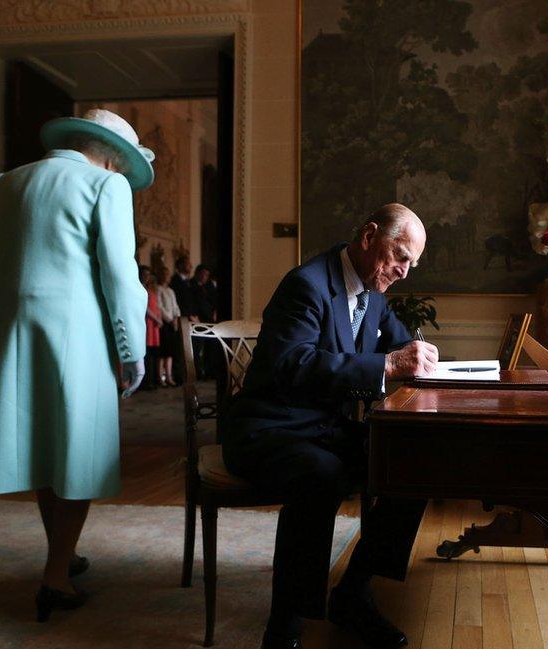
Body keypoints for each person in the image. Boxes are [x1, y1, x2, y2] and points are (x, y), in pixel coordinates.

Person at [0, 108, 154, 622]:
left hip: (14, 336)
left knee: (45, 449)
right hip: (80, 340)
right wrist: (132, 351)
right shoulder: (104, 187)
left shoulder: (8, 182)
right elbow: (120, 276)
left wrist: (18, 301)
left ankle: (62, 557)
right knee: (79, 453)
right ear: (112, 157)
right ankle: (54, 580)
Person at [222, 203, 439, 649]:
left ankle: (353, 594)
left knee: (415, 464)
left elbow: (403, 346)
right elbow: (292, 364)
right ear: (368, 237)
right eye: (400, 257)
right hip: (270, 427)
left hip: (322, 428)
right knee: (320, 476)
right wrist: (389, 363)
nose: (404, 272)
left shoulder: (373, 293)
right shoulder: (306, 285)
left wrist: (431, 361)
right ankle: (283, 629)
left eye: (411, 264)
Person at [156, 265, 181, 387]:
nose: (167, 277)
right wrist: (169, 319)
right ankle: (160, 377)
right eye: (165, 274)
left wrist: (176, 317)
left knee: (170, 352)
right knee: (163, 352)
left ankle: (169, 377)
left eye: (168, 274)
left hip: (173, 323)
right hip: (164, 324)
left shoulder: (170, 290)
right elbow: (159, 307)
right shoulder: (158, 289)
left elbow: (175, 306)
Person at [142, 265, 163, 390]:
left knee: (154, 353)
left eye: (148, 275)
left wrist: (158, 317)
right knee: (147, 353)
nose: (147, 277)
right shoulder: (139, 288)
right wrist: (156, 318)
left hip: (154, 323)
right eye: (144, 274)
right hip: (148, 322)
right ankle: (147, 381)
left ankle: (154, 379)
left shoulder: (152, 290)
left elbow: (157, 306)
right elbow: (145, 307)